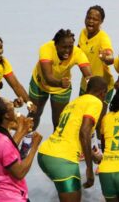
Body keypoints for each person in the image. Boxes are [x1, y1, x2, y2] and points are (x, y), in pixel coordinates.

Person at [37, 76, 107, 202]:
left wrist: (92, 155)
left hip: (44, 154)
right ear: (103, 93)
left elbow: (71, 135)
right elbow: (84, 132)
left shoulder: (74, 102)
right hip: (63, 160)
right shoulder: (96, 102)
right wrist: (89, 169)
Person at [24, 29, 92, 157]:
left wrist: (91, 85)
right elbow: (48, 77)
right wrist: (60, 83)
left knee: (59, 120)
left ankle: (56, 148)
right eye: (63, 47)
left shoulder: (77, 53)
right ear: (56, 45)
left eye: (70, 47)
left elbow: (88, 75)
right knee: (34, 113)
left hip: (62, 87)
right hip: (40, 83)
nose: (67, 51)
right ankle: (26, 142)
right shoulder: (46, 49)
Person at [0, 97, 42, 202]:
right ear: (6, 115)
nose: (13, 106)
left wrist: (22, 130)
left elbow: (7, 150)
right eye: (11, 106)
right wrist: (34, 146)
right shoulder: (3, 141)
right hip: (10, 196)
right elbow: (19, 173)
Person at [78, 5, 115, 145]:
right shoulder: (82, 33)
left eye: (95, 19)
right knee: (82, 118)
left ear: (101, 22)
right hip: (86, 84)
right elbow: (78, 52)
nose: (91, 21)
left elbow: (110, 56)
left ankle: (104, 151)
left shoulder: (103, 38)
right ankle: (86, 147)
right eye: (89, 17)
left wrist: (106, 58)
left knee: (99, 122)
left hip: (102, 87)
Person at [0, 33, 35, 113]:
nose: (0, 51)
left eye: (1, 48)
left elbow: (16, 85)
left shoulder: (3, 63)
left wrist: (29, 102)